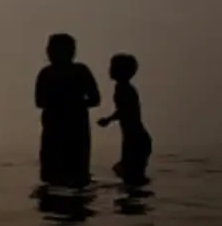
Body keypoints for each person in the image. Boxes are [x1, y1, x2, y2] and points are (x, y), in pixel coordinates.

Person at [34, 33, 101, 185]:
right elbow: (94, 99)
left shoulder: (50, 73)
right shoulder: (51, 73)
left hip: (69, 128)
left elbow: (40, 102)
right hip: (61, 128)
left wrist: (67, 103)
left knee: (61, 174)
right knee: (72, 173)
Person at [98, 53, 152, 184]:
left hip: (135, 139)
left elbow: (125, 110)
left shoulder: (124, 89)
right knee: (130, 174)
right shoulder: (123, 88)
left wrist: (109, 119)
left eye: (113, 67)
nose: (110, 70)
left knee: (130, 174)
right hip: (134, 138)